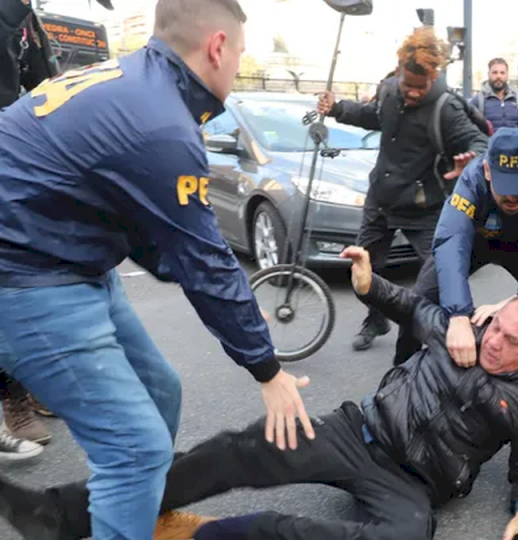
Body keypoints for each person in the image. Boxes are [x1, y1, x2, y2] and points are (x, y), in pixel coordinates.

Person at [0, 1, 314, 538]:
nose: (237, 69)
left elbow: (163, 240)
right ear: (217, 47)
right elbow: (205, 260)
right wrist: (267, 368)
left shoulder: (137, 84)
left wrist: (233, 304)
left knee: (160, 391)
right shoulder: (163, 123)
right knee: (134, 446)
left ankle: (141, 514)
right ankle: (130, 504)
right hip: (25, 274)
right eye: (238, 54)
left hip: (69, 254)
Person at [0, 246, 518, 540]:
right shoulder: (464, 328)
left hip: (414, 484)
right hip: (357, 432)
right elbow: (411, 305)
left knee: (408, 536)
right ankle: (59, 514)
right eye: (495, 327)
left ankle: (218, 538)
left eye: (510, 341)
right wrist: (367, 284)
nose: (493, 342)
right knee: (236, 450)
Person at [317, 27, 489, 353]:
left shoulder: (446, 108)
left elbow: (479, 141)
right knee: (365, 266)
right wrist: (338, 108)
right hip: (381, 198)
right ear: (398, 72)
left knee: (443, 272)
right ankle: (376, 317)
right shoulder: (389, 90)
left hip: (424, 207)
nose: (411, 92)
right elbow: (373, 116)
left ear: (433, 77)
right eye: (407, 84)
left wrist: (473, 160)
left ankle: (449, 330)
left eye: (420, 87)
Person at [393, 127, 518, 402]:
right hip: (475, 242)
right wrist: (458, 315)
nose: (514, 198)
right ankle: (400, 384)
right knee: (418, 300)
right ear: (488, 170)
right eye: (506, 188)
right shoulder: (471, 182)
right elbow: (451, 242)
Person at [470, 58, 518, 133]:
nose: (499, 76)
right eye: (495, 72)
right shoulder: (478, 100)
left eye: (502, 73)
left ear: (507, 75)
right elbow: (470, 129)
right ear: (488, 74)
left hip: (514, 144)